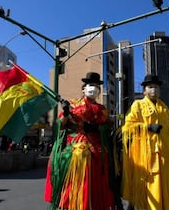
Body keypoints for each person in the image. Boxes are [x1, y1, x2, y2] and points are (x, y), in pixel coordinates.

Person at [121, 74, 169, 210]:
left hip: (165, 154)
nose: (154, 90)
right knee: (149, 185)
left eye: (156, 87)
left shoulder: (164, 107)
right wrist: (147, 127)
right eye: (151, 87)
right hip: (146, 155)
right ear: (144, 90)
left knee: (166, 185)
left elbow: (168, 129)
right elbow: (127, 127)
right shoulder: (138, 105)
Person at [44, 72, 117, 210]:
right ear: (83, 89)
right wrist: (66, 113)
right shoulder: (73, 105)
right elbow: (61, 125)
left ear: (99, 91)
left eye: (96, 86)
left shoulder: (103, 110)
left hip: (98, 148)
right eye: (90, 85)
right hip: (76, 146)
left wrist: (97, 128)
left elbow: (109, 126)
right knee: (78, 158)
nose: (93, 89)